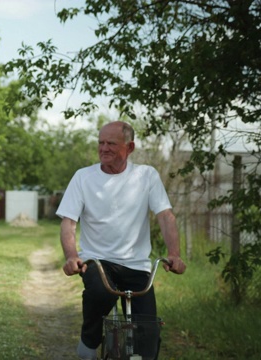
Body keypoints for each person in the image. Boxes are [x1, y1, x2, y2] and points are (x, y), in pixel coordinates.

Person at [56, 121, 186, 360]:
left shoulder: (146, 176)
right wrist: (71, 256)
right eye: (101, 142)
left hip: (136, 264)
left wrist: (174, 254)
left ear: (130, 147)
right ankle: (89, 342)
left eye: (111, 143)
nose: (103, 148)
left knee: (148, 330)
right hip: (97, 261)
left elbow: (165, 216)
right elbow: (69, 222)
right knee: (101, 293)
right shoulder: (83, 177)